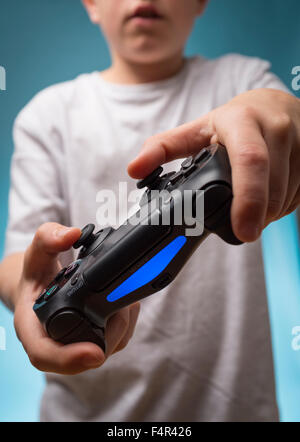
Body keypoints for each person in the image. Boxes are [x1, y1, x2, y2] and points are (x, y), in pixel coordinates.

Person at [0, 0, 300, 422]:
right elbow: (18, 258)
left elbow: (279, 117)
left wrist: (286, 115)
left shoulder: (242, 81)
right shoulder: (48, 116)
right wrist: (30, 285)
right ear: (91, 4)